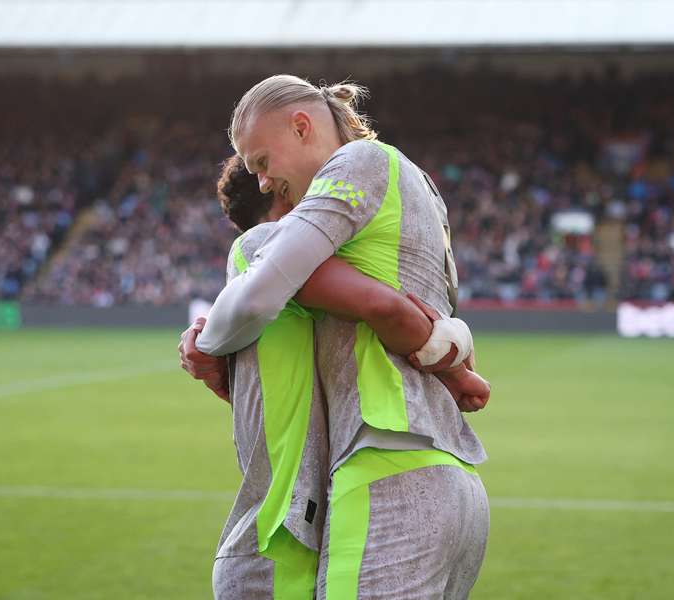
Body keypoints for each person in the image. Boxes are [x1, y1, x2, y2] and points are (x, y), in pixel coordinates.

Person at [184, 74, 490, 598]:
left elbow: (263, 293)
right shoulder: (418, 191)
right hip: (450, 478)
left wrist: (203, 341)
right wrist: (452, 356)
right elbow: (395, 303)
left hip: (384, 474)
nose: (262, 180)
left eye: (262, 162)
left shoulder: (358, 166)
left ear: (301, 126)